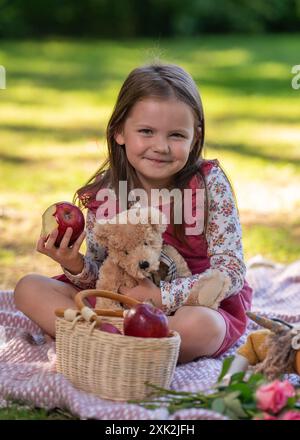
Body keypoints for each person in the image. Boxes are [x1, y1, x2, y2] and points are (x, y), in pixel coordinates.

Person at [14, 63, 252, 363]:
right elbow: (103, 279)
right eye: (146, 131)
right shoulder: (106, 196)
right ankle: (127, 349)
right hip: (117, 309)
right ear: (119, 132)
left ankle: (102, 347)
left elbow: (231, 270)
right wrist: (74, 264)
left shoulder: (208, 185)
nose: (161, 146)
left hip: (187, 309)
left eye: (177, 135)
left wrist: (161, 298)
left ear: (196, 136)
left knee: (204, 326)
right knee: (28, 288)